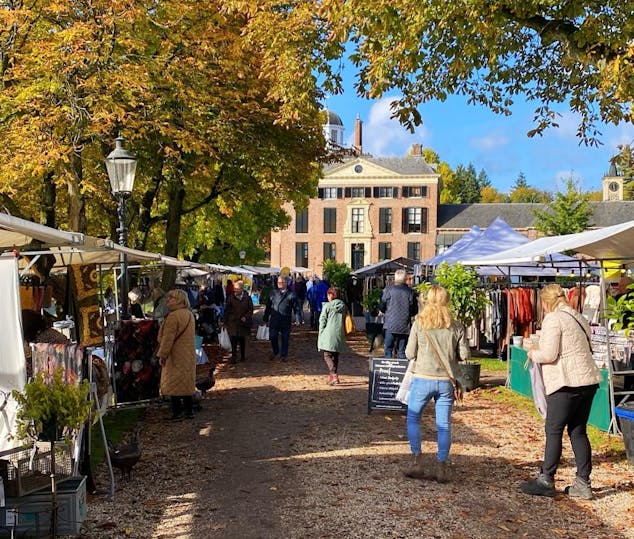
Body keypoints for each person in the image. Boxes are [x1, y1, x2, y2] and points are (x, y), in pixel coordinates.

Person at [519, 284, 602, 499]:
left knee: (554, 430)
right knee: (578, 431)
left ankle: (547, 479)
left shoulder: (553, 319)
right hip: (588, 381)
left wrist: (531, 352)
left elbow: (548, 354)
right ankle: (583, 483)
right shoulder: (578, 317)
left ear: (546, 302)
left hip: (566, 382)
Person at [403, 285, 470, 483]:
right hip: (446, 381)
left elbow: (409, 353)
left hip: (423, 377)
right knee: (443, 425)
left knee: (413, 418)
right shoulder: (456, 325)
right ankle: (441, 465)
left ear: (428, 301)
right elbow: (465, 355)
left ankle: (417, 461)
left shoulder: (419, 323)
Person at [156, 289, 197, 421]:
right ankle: (189, 410)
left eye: (171, 298)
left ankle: (177, 412)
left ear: (179, 300)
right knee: (185, 382)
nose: (168, 301)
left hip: (175, 353)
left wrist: (162, 355)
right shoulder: (189, 314)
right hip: (188, 353)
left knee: (173, 382)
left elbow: (168, 339)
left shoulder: (173, 316)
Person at [380, 269, 417, 359]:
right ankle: (401, 371)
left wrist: (387, 312)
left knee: (388, 350)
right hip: (404, 325)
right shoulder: (410, 292)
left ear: (395, 278)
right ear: (405, 279)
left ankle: (388, 370)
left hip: (390, 324)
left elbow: (382, 306)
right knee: (402, 351)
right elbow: (414, 309)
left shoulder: (388, 290)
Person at [317, 286, 348, 385]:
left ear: (331, 295)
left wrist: (321, 333)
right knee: (335, 355)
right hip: (339, 333)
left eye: (328, 294)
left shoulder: (327, 306)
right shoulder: (343, 306)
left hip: (328, 333)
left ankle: (334, 375)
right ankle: (332, 377)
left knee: (327, 355)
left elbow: (322, 321)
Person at [263, 276, 296, 361]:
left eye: (282, 283)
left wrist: (298, 318)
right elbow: (268, 306)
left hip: (285, 319)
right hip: (274, 319)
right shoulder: (273, 293)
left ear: (286, 283)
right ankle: (275, 351)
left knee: (285, 338)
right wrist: (265, 318)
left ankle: (283, 355)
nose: (280, 284)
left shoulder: (291, 294)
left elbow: (296, 307)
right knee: (273, 336)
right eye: (278, 283)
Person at [222, 280, 254, 364]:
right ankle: (234, 357)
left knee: (242, 340)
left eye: (237, 289)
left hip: (243, 323)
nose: (235, 290)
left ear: (242, 289)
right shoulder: (231, 297)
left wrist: (246, 317)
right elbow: (227, 310)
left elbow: (251, 310)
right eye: (234, 288)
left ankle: (242, 355)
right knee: (233, 339)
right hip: (233, 322)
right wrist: (224, 321)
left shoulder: (247, 298)